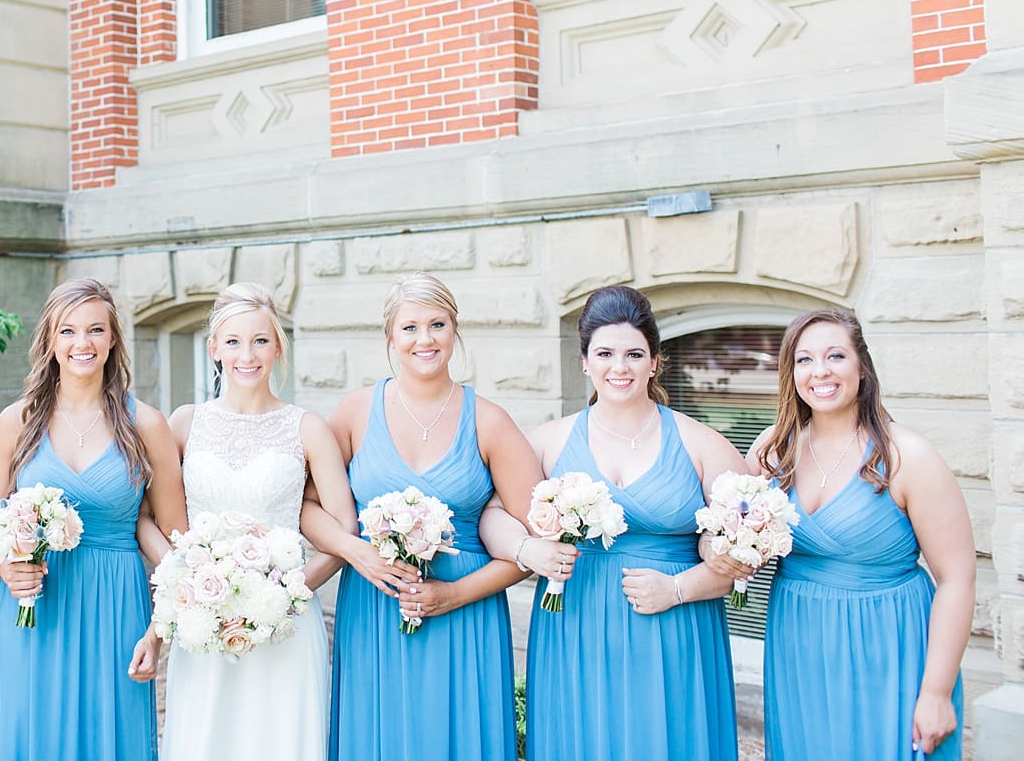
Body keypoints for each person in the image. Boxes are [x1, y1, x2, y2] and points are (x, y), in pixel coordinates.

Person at [302, 272, 543, 761]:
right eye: (410, 327)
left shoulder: (489, 421)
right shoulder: (354, 412)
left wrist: (454, 594)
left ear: (455, 331)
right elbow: (307, 507)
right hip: (373, 610)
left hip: (466, 616)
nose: (425, 339)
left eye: (438, 324)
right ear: (390, 336)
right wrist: (357, 553)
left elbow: (536, 544)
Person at [503, 285, 742, 761]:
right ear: (585, 362)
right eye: (605, 353)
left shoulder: (702, 444)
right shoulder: (547, 441)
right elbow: (493, 513)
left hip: (674, 630)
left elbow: (745, 550)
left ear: (655, 362)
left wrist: (679, 588)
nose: (620, 367)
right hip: (575, 626)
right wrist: (526, 551)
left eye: (635, 353)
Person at [0, 277, 187, 761]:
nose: (81, 343)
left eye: (95, 330)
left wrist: (158, 631)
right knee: (29, 734)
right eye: (67, 331)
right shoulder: (17, 420)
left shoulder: (145, 424)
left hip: (115, 605)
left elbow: (177, 545)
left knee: (109, 736)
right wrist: (7, 568)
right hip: (33, 606)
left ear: (112, 340)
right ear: (49, 340)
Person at [750, 308, 973, 759]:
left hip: (886, 644)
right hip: (799, 644)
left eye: (836, 355)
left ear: (862, 368)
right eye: (805, 359)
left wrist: (936, 692)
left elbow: (958, 577)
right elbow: (736, 541)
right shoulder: (774, 449)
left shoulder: (906, 455)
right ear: (790, 372)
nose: (821, 372)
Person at [151, 283, 355, 760]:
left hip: (283, 625)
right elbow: (151, 519)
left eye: (261, 340)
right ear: (214, 349)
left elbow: (342, 534)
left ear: (278, 347)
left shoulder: (307, 428)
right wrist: (186, 579)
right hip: (203, 620)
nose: (248, 354)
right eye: (235, 341)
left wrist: (286, 593)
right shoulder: (184, 423)